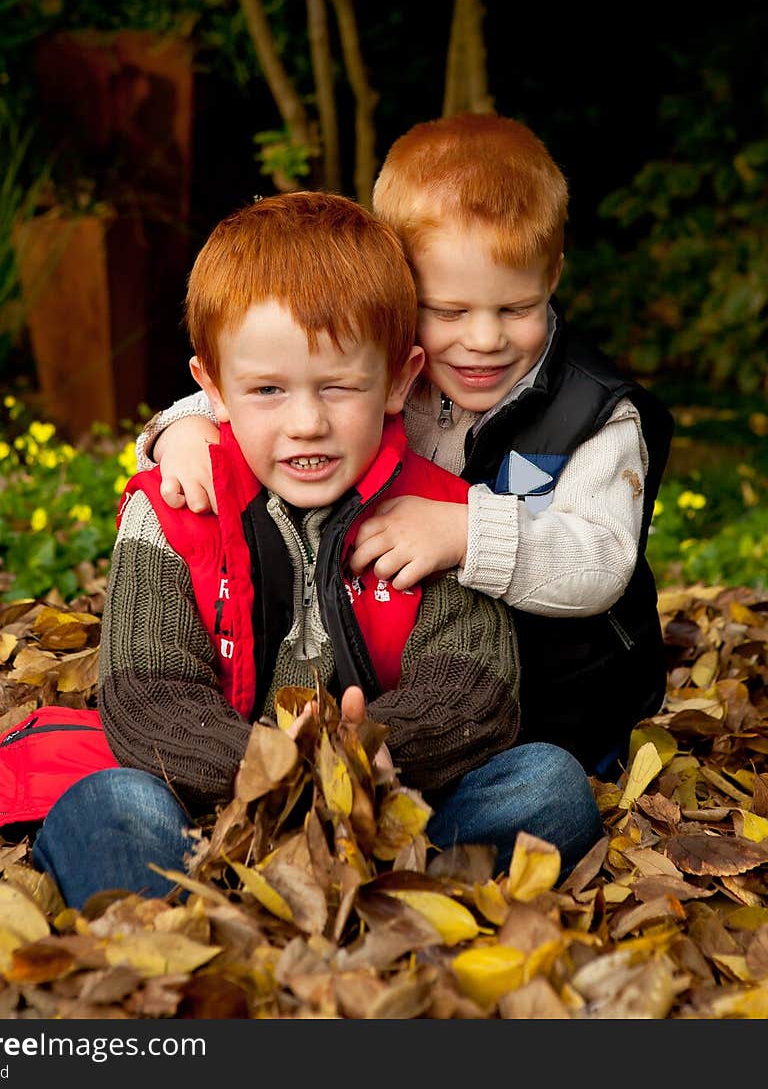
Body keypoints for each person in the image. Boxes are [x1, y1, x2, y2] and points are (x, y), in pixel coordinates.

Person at [32, 190, 603, 910]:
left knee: (548, 785)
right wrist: (281, 767)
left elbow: (478, 690)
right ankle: (206, 914)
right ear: (212, 388)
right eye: (267, 389)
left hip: (389, 805)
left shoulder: (441, 511)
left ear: (399, 379)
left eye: (339, 387)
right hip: (210, 808)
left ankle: (374, 898)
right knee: (113, 802)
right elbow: (147, 697)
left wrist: (360, 760)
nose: (307, 423)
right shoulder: (172, 510)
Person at [135, 114, 675, 780]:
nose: (483, 341)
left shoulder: (597, 414)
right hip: (412, 690)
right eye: (447, 311)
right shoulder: (393, 374)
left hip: (564, 702)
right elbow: (264, 386)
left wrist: (466, 531)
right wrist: (178, 433)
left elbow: (603, 563)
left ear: (553, 275)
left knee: (545, 786)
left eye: (515, 309)